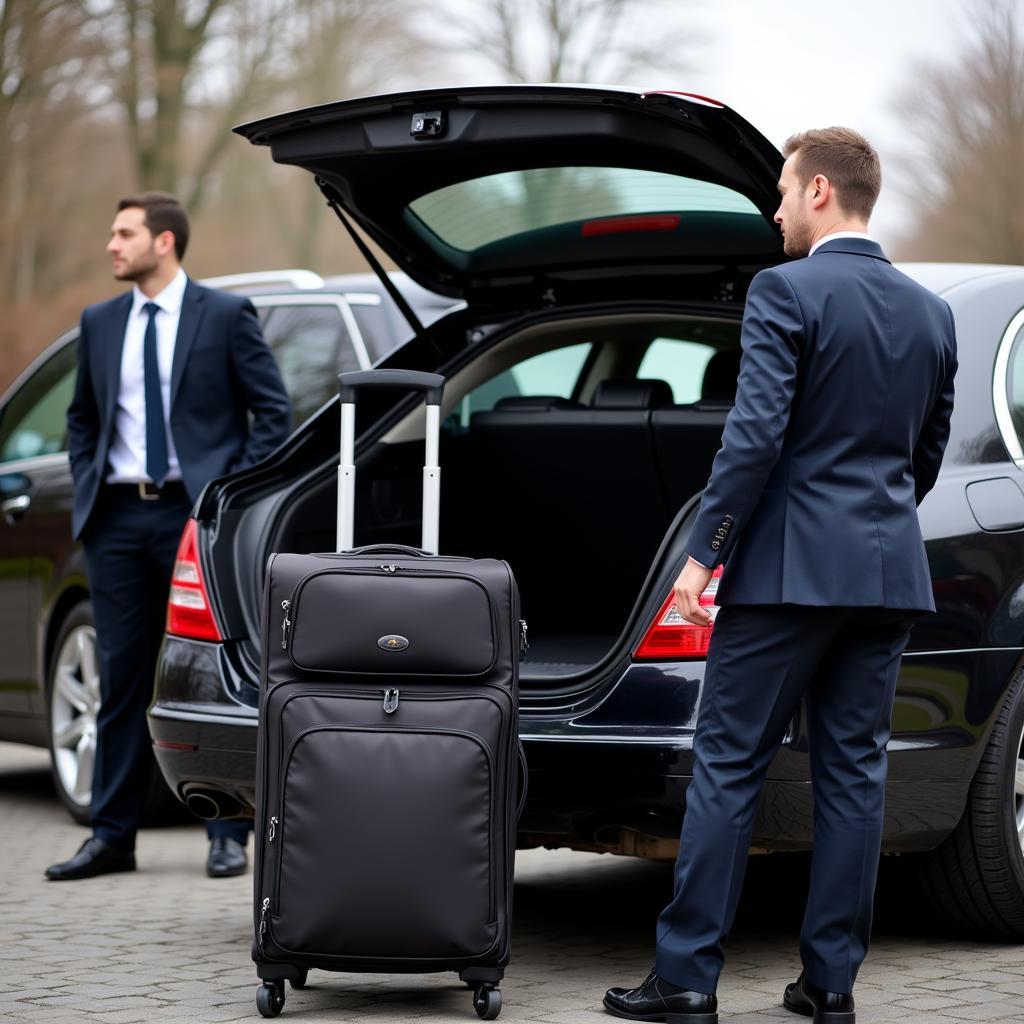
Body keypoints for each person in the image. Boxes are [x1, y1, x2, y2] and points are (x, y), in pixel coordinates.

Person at [604, 129, 957, 1024]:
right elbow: (924, 457)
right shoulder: (933, 312)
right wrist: (867, 525)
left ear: (822, 193)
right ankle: (829, 986)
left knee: (728, 766)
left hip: (786, 577)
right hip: (884, 578)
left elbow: (753, 437)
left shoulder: (785, 291)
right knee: (853, 778)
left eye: (783, 190)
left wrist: (702, 554)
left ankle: (685, 979)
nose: (774, 208)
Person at [46, 192, 291, 881]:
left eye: (123, 233)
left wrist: (225, 496)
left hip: (197, 521)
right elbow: (82, 420)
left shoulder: (223, 315)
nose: (110, 246)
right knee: (122, 678)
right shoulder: (99, 323)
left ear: (164, 242)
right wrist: (88, 488)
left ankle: (226, 833)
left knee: (208, 672)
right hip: (118, 521)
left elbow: (271, 414)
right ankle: (111, 837)